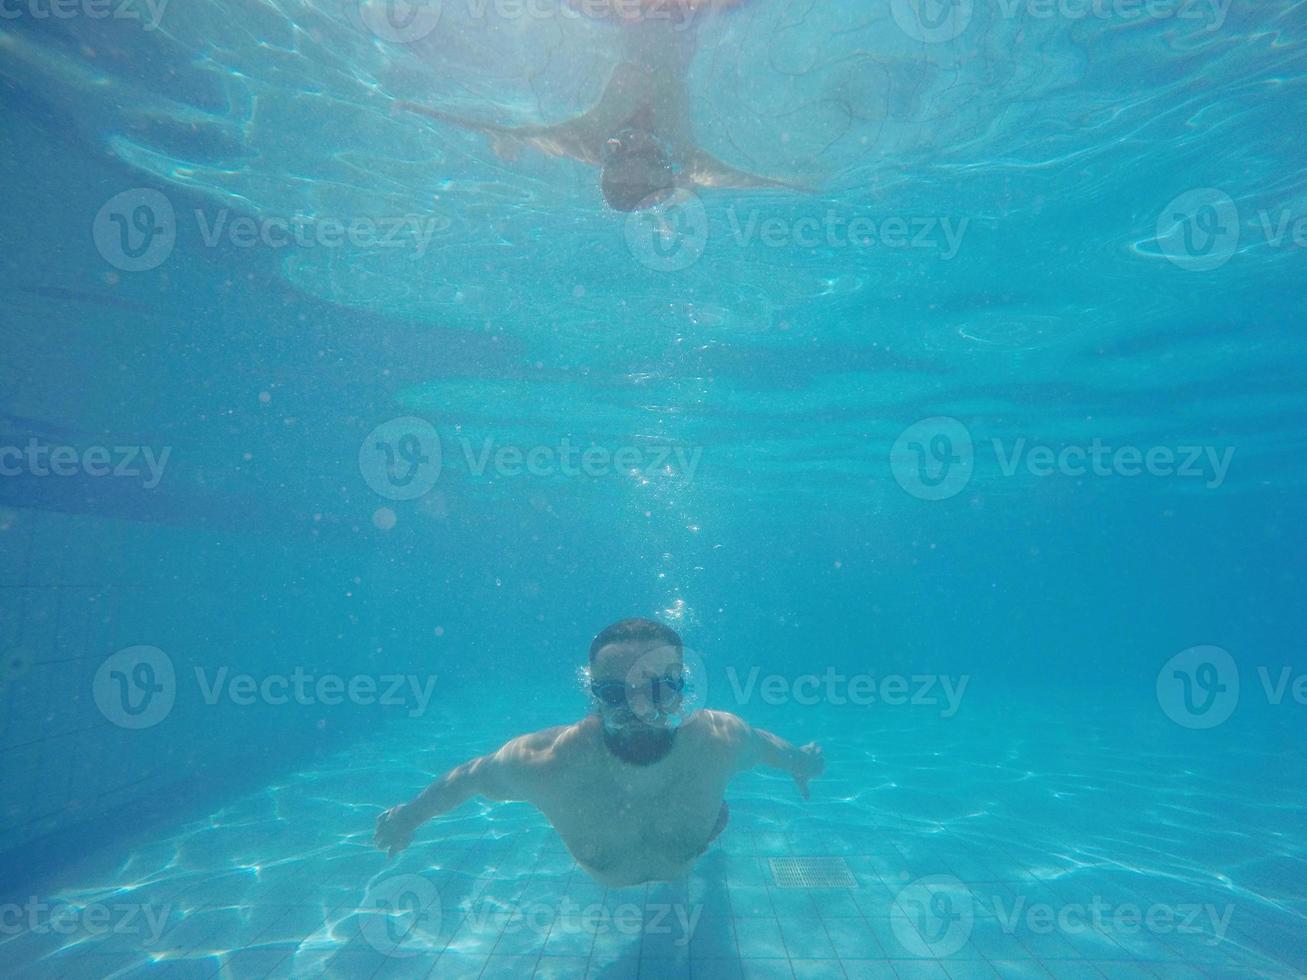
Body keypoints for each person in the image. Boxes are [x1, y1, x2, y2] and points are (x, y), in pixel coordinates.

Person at [373, 617, 824, 886]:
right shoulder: (545, 763)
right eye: (615, 693)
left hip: (693, 852)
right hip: (621, 876)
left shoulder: (719, 741)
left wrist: (801, 762)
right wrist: (406, 819)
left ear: (682, 690)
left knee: (714, 816)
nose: (639, 709)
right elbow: (469, 778)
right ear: (593, 695)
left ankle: (713, 822)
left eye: (659, 687)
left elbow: (768, 747)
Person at [393, 0, 796, 211]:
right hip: (688, 16)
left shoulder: (583, 141)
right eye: (652, 155)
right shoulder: (688, 161)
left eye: (625, 154)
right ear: (666, 167)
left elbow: (507, 131)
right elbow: (732, 176)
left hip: (625, 16)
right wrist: (797, 186)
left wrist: (418, 108)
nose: (640, 138)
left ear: (609, 162)